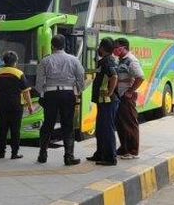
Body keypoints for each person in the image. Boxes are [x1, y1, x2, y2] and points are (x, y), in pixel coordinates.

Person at [35, 34, 85, 166]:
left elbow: (39, 81)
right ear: (64, 45)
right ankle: (69, 157)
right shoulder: (73, 60)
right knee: (67, 125)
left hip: (50, 94)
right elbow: (81, 76)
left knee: (48, 124)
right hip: (68, 93)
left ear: (52, 45)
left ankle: (42, 154)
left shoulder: (45, 61)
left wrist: (41, 94)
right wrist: (78, 91)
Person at [0, 51, 34, 160]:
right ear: (15, 62)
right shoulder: (19, 73)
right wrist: (30, 106)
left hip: (2, 105)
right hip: (16, 106)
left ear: (3, 61)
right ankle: (14, 153)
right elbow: (26, 92)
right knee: (15, 129)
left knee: (2, 129)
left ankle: (1, 152)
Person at [87, 38, 119, 166]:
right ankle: (100, 154)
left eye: (99, 46)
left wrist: (110, 92)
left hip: (108, 101)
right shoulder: (105, 61)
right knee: (100, 129)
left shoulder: (108, 61)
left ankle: (110, 158)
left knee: (107, 129)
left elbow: (114, 76)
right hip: (103, 101)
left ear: (102, 48)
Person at [114, 38, 145, 159]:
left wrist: (130, 91)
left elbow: (140, 77)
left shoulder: (131, 60)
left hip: (127, 96)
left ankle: (133, 151)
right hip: (120, 95)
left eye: (117, 47)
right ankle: (124, 149)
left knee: (130, 123)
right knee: (121, 124)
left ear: (123, 47)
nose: (115, 50)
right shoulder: (121, 60)